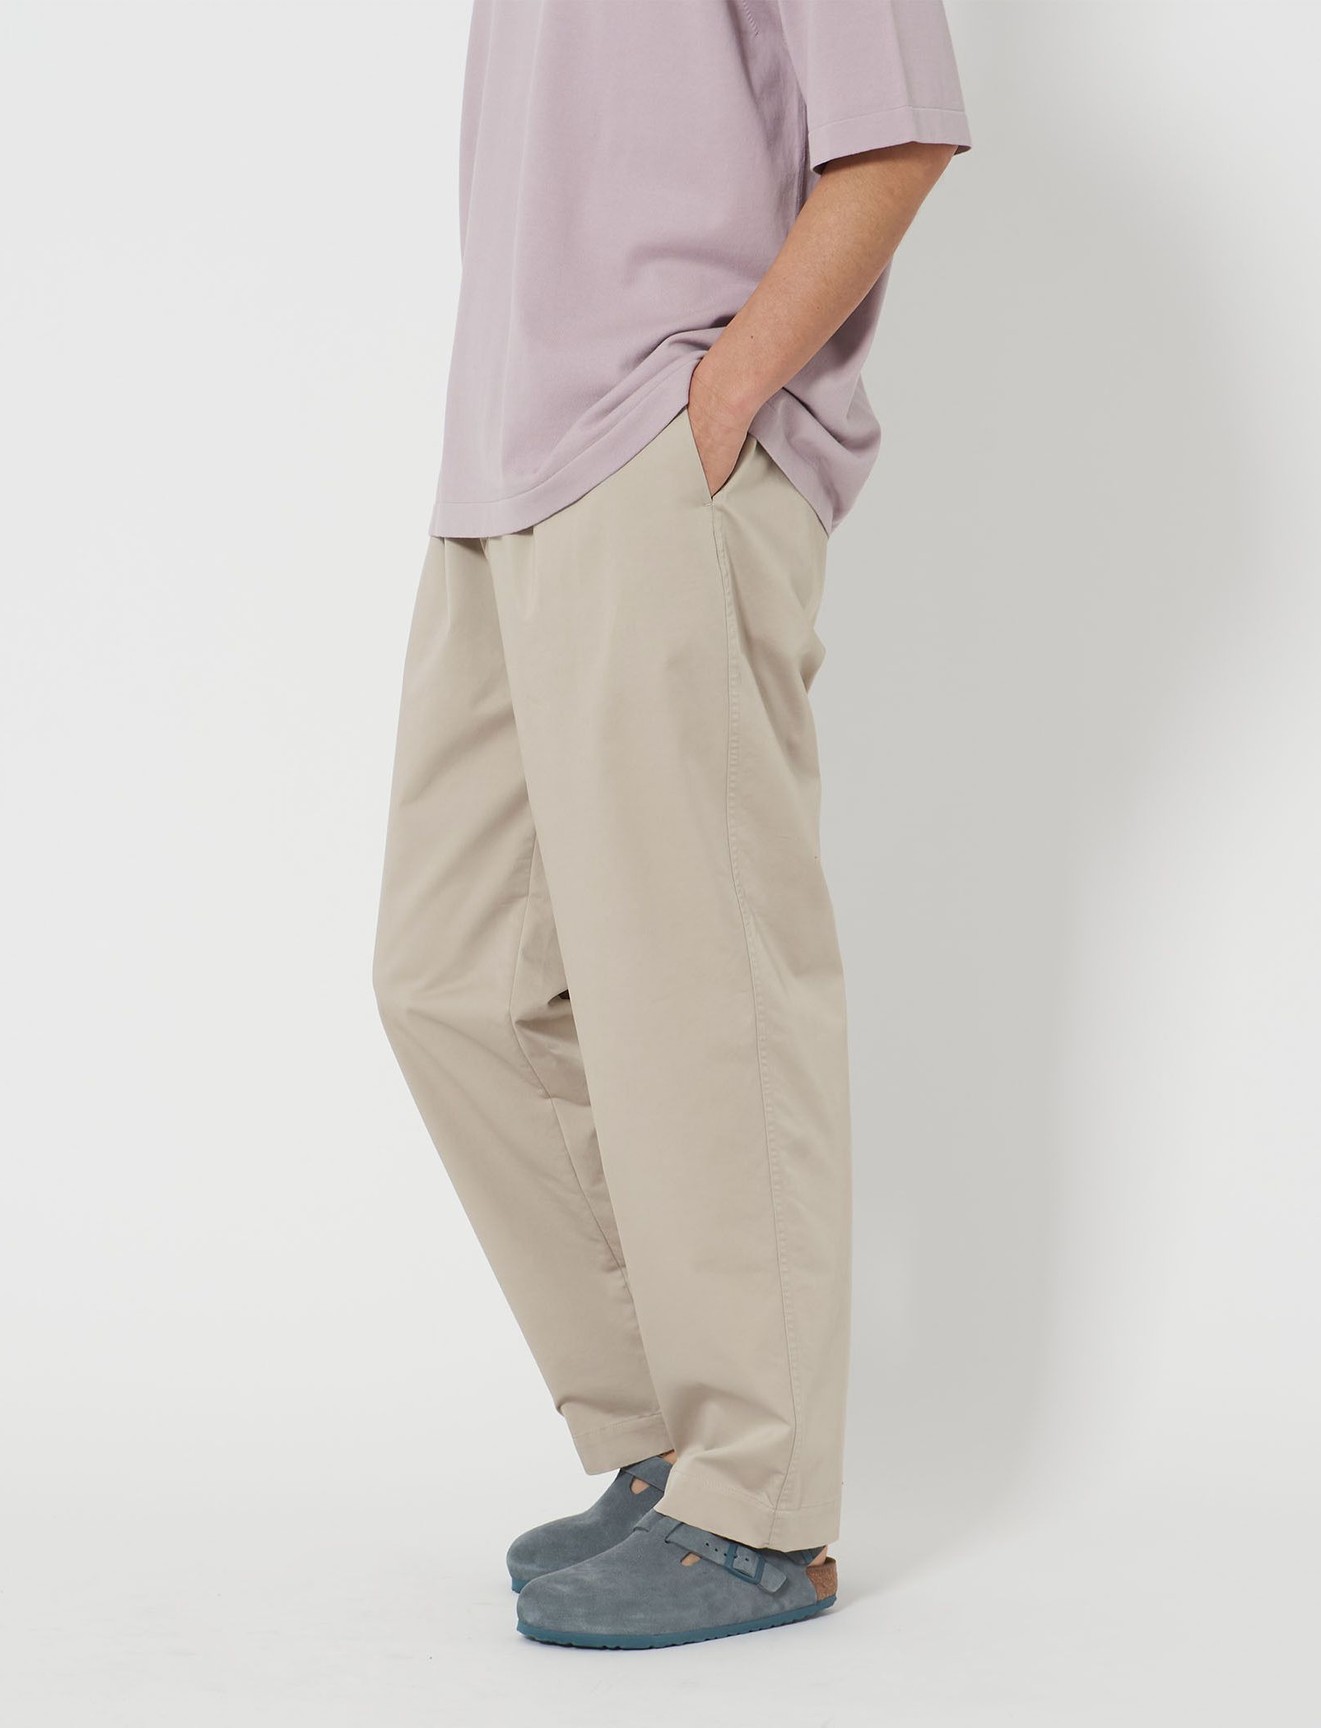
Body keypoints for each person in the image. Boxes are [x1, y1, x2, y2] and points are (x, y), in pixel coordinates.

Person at [372, 0, 971, 1650]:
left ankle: (759, 1511)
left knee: (703, 988)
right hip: (503, 476)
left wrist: (718, 401)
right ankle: (674, 1446)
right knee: (450, 979)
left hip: (656, 448)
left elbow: (900, 132)